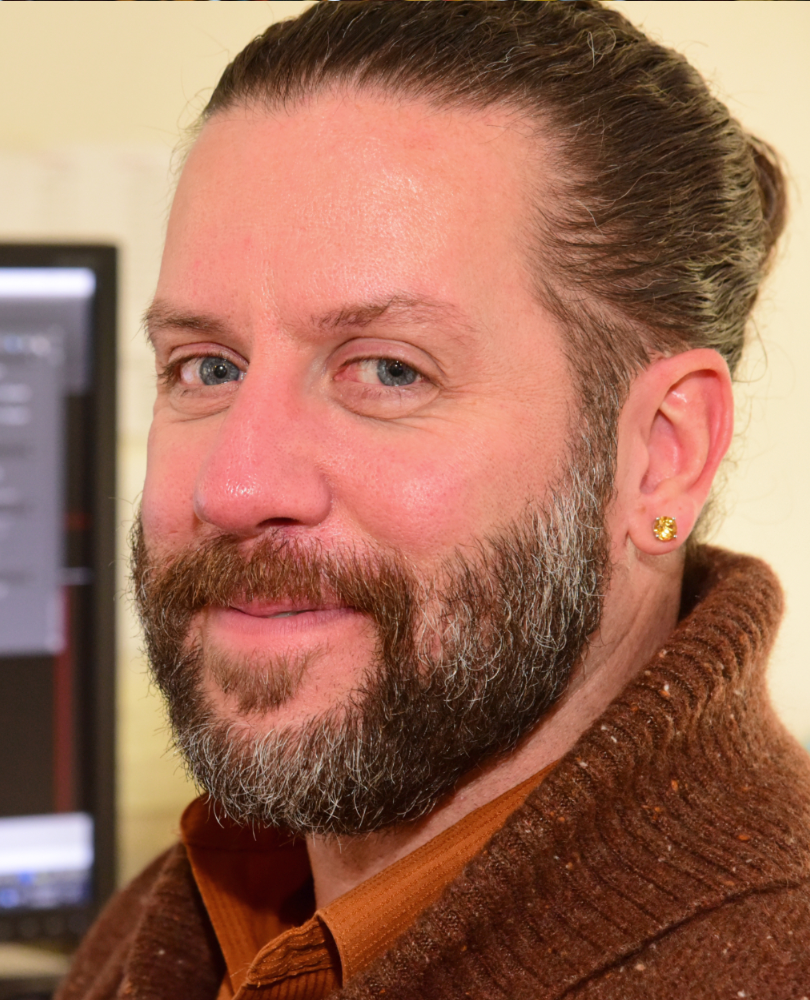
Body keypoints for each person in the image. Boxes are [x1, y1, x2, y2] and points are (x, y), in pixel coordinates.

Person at [58, 2, 810, 998]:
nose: (234, 487)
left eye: (389, 371)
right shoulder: (165, 930)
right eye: (207, 367)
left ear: (662, 459)